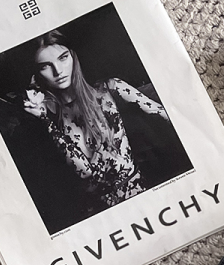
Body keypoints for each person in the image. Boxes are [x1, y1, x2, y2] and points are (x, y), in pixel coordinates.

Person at [22, 31, 174, 217]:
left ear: (73, 56)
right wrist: (45, 120)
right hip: (98, 213)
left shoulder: (110, 89)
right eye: (45, 66)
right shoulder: (48, 115)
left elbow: (164, 113)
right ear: (36, 74)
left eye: (63, 58)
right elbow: (84, 171)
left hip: (139, 194)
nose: (58, 71)